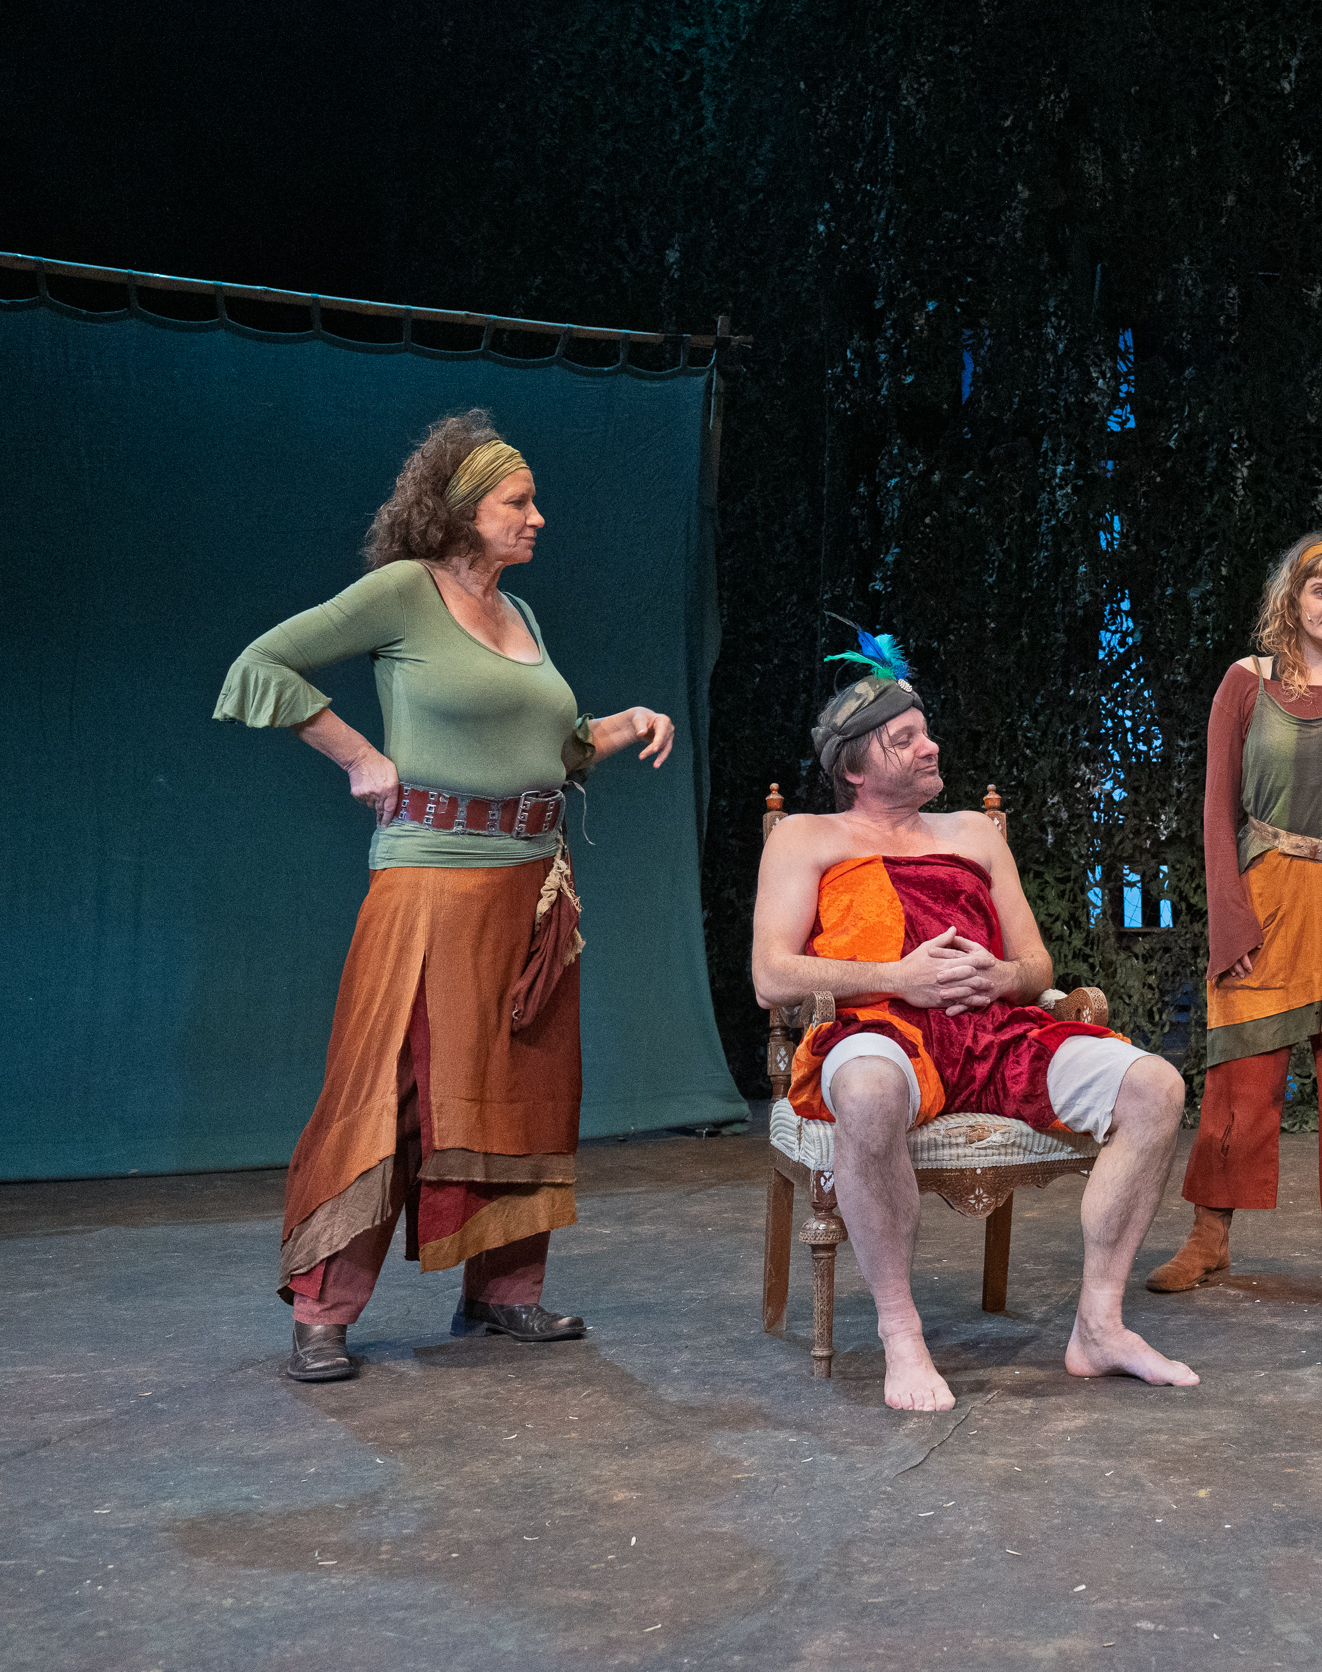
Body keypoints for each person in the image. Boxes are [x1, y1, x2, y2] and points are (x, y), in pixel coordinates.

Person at [218, 410, 678, 1383]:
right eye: (519, 502)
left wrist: (621, 724)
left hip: (533, 886)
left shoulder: (523, 616)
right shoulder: (403, 592)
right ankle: (323, 1309)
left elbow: (550, 750)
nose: (537, 518)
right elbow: (261, 665)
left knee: (520, 1086)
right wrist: (359, 754)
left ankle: (503, 1289)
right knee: (392, 1088)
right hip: (432, 878)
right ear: (464, 511)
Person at [754, 661, 1196, 1409]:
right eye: (904, 739)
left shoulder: (973, 833)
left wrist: (1001, 975)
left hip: (994, 1031)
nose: (930, 746)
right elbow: (772, 975)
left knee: (1156, 1086)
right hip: (880, 1026)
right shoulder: (806, 836)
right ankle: (902, 1336)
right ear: (855, 767)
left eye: (925, 732)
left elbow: (1037, 967)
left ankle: (1100, 1327)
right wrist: (900, 977)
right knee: (866, 1091)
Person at [1145, 533, 1322, 1296]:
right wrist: (1229, 920)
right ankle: (1209, 1235)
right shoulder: (1247, 683)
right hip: (1267, 895)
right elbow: (1216, 812)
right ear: (1292, 601)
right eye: (1319, 590)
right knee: (1240, 1070)